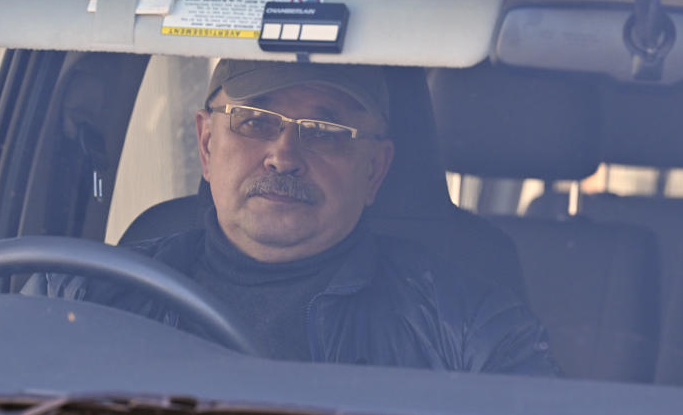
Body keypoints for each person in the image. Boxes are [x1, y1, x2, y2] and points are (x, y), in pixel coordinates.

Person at [28, 59, 558, 375]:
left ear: (375, 169)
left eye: (325, 131)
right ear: (207, 144)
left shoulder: (470, 328)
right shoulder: (78, 298)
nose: (283, 155)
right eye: (256, 121)